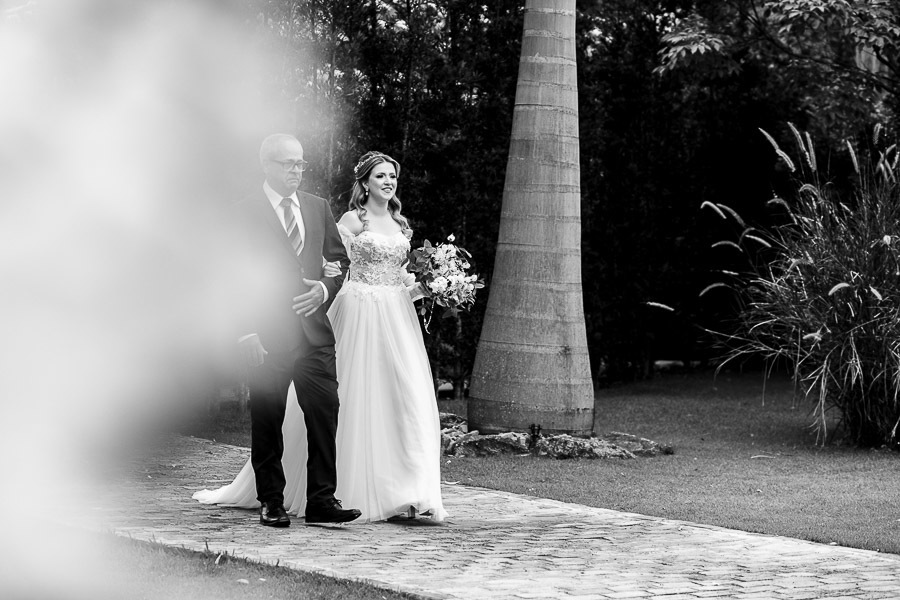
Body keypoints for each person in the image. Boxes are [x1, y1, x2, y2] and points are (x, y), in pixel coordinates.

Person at [194, 150, 446, 523]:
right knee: (281, 414)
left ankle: (372, 495)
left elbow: (346, 268)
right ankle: (276, 499)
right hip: (348, 316)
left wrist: (429, 287)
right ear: (365, 182)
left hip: (387, 321)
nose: (389, 181)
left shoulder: (383, 220)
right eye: (380, 175)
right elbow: (329, 266)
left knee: (384, 403)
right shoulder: (347, 219)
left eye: (393, 175)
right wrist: (248, 329)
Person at [193, 134, 360, 528]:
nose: (296, 170)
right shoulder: (242, 212)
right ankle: (271, 501)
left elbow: (339, 261)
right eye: (288, 163)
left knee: (324, 415)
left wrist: (324, 289)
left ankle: (322, 500)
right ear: (266, 165)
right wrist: (245, 331)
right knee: (268, 420)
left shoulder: (318, 207)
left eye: (300, 163)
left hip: (315, 335)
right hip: (266, 338)